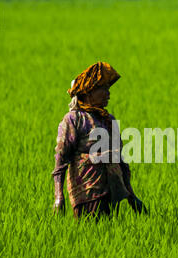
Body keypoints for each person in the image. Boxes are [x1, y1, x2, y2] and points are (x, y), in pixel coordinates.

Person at [51, 61, 146, 218]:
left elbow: (121, 161)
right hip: (86, 191)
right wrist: (58, 197)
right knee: (88, 233)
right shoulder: (74, 119)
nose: (108, 94)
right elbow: (61, 160)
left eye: (108, 89)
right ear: (89, 91)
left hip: (112, 190)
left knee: (109, 234)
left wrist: (131, 195)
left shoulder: (109, 120)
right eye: (103, 89)